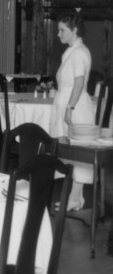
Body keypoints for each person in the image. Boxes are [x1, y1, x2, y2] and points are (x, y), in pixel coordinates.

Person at [49, 14, 94, 211]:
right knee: (67, 152)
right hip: (67, 103)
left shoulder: (79, 53)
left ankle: (75, 198)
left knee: (77, 154)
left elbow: (78, 82)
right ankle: (75, 197)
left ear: (74, 31)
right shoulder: (71, 52)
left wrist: (69, 108)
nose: (58, 34)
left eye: (62, 30)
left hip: (75, 107)